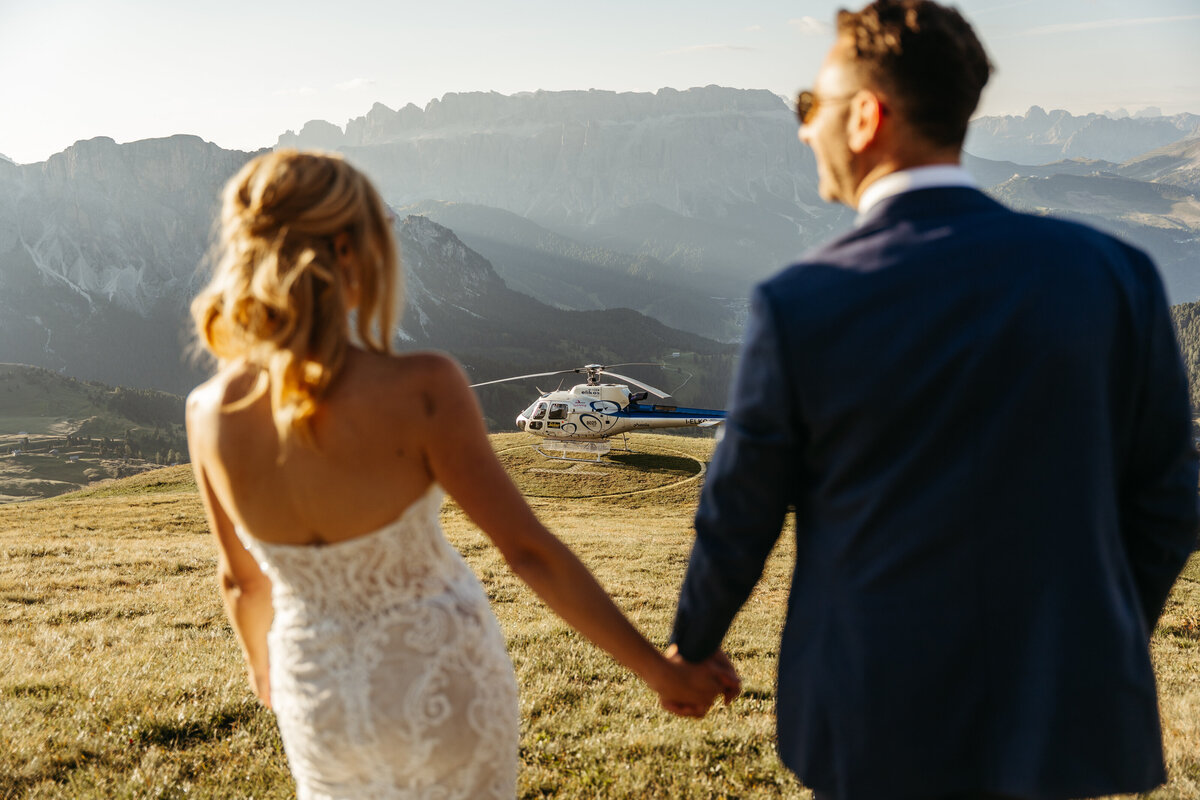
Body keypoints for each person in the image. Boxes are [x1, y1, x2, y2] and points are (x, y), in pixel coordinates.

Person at [666, 2, 1199, 799]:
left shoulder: (803, 301)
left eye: (811, 107)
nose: (805, 128)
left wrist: (692, 645)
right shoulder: (1115, 275)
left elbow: (741, 509)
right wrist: (1090, 642)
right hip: (1067, 717)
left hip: (873, 714)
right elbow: (1171, 495)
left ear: (866, 118)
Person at [186, 149, 736, 799]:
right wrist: (659, 671)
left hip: (317, 690)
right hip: (440, 680)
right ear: (347, 250)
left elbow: (241, 582)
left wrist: (266, 672)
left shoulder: (207, 414)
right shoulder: (422, 387)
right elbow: (530, 553)